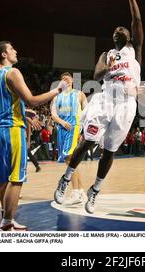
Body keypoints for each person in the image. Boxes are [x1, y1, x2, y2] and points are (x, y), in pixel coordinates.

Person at [54, 0, 143, 214]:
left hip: (127, 104)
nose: (118, 30)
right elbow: (96, 76)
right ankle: (66, 178)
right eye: (115, 30)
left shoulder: (134, 49)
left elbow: (136, 19)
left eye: (122, 29)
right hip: (106, 99)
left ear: (127, 36)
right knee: (88, 140)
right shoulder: (107, 54)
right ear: (113, 38)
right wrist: (109, 65)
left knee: (110, 150)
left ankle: (95, 190)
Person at [0, 41, 69, 231]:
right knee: (16, 178)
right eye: (11, 49)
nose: (16, 51)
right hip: (12, 129)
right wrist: (58, 90)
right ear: (3, 55)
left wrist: (23, 111)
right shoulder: (13, 73)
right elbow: (32, 100)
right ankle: (7, 223)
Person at [51, 72, 87, 205]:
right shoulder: (57, 97)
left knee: (70, 158)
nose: (66, 80)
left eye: (68, 78)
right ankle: (81, 191)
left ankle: (76, 191)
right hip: (62, 128)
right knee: (71, 160)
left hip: (74, 127)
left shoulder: (79, 94)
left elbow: (86, 112)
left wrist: (82, 129)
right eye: (63, 79)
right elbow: (53, 115)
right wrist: (62, 122)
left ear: (72, 81)